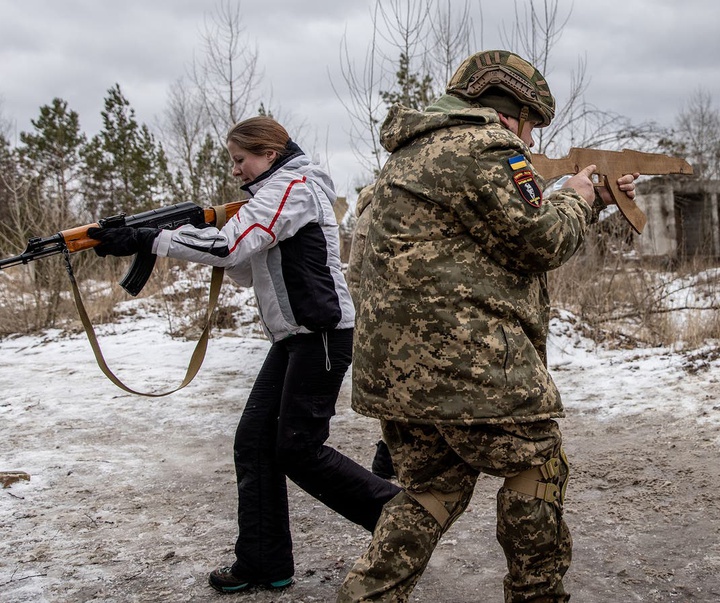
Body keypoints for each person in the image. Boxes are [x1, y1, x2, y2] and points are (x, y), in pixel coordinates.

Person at [337, 50, 639, 603]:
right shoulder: (484, 147)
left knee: (433, 488)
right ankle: (537, 594)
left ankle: (366, 595)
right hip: (468, 364)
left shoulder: (407, 159)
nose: (528, 140)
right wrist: (576, 196)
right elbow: (540, 239)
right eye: (529, 127)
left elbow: (492, 233)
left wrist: (586, 201)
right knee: (537, 463)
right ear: (511, 112)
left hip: (400, 374)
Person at [87, 116, 401, 595]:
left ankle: (402, 520)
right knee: (254, 443)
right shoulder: (270, 194)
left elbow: (232, 247)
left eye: (241, 160)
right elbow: (242, 267)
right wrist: (188, 230)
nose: (236, 171)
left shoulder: (294, 187)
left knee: (298, 448)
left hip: (321, 334)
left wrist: (152, 238)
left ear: (268, 154)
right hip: (295, 337)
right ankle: (263, 562)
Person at [346, 183, 395, 480]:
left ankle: (388, 455)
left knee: (393, 387)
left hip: (368, 310)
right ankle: (389, 456)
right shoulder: (386, 206)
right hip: (387, 308)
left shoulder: (369, 207)